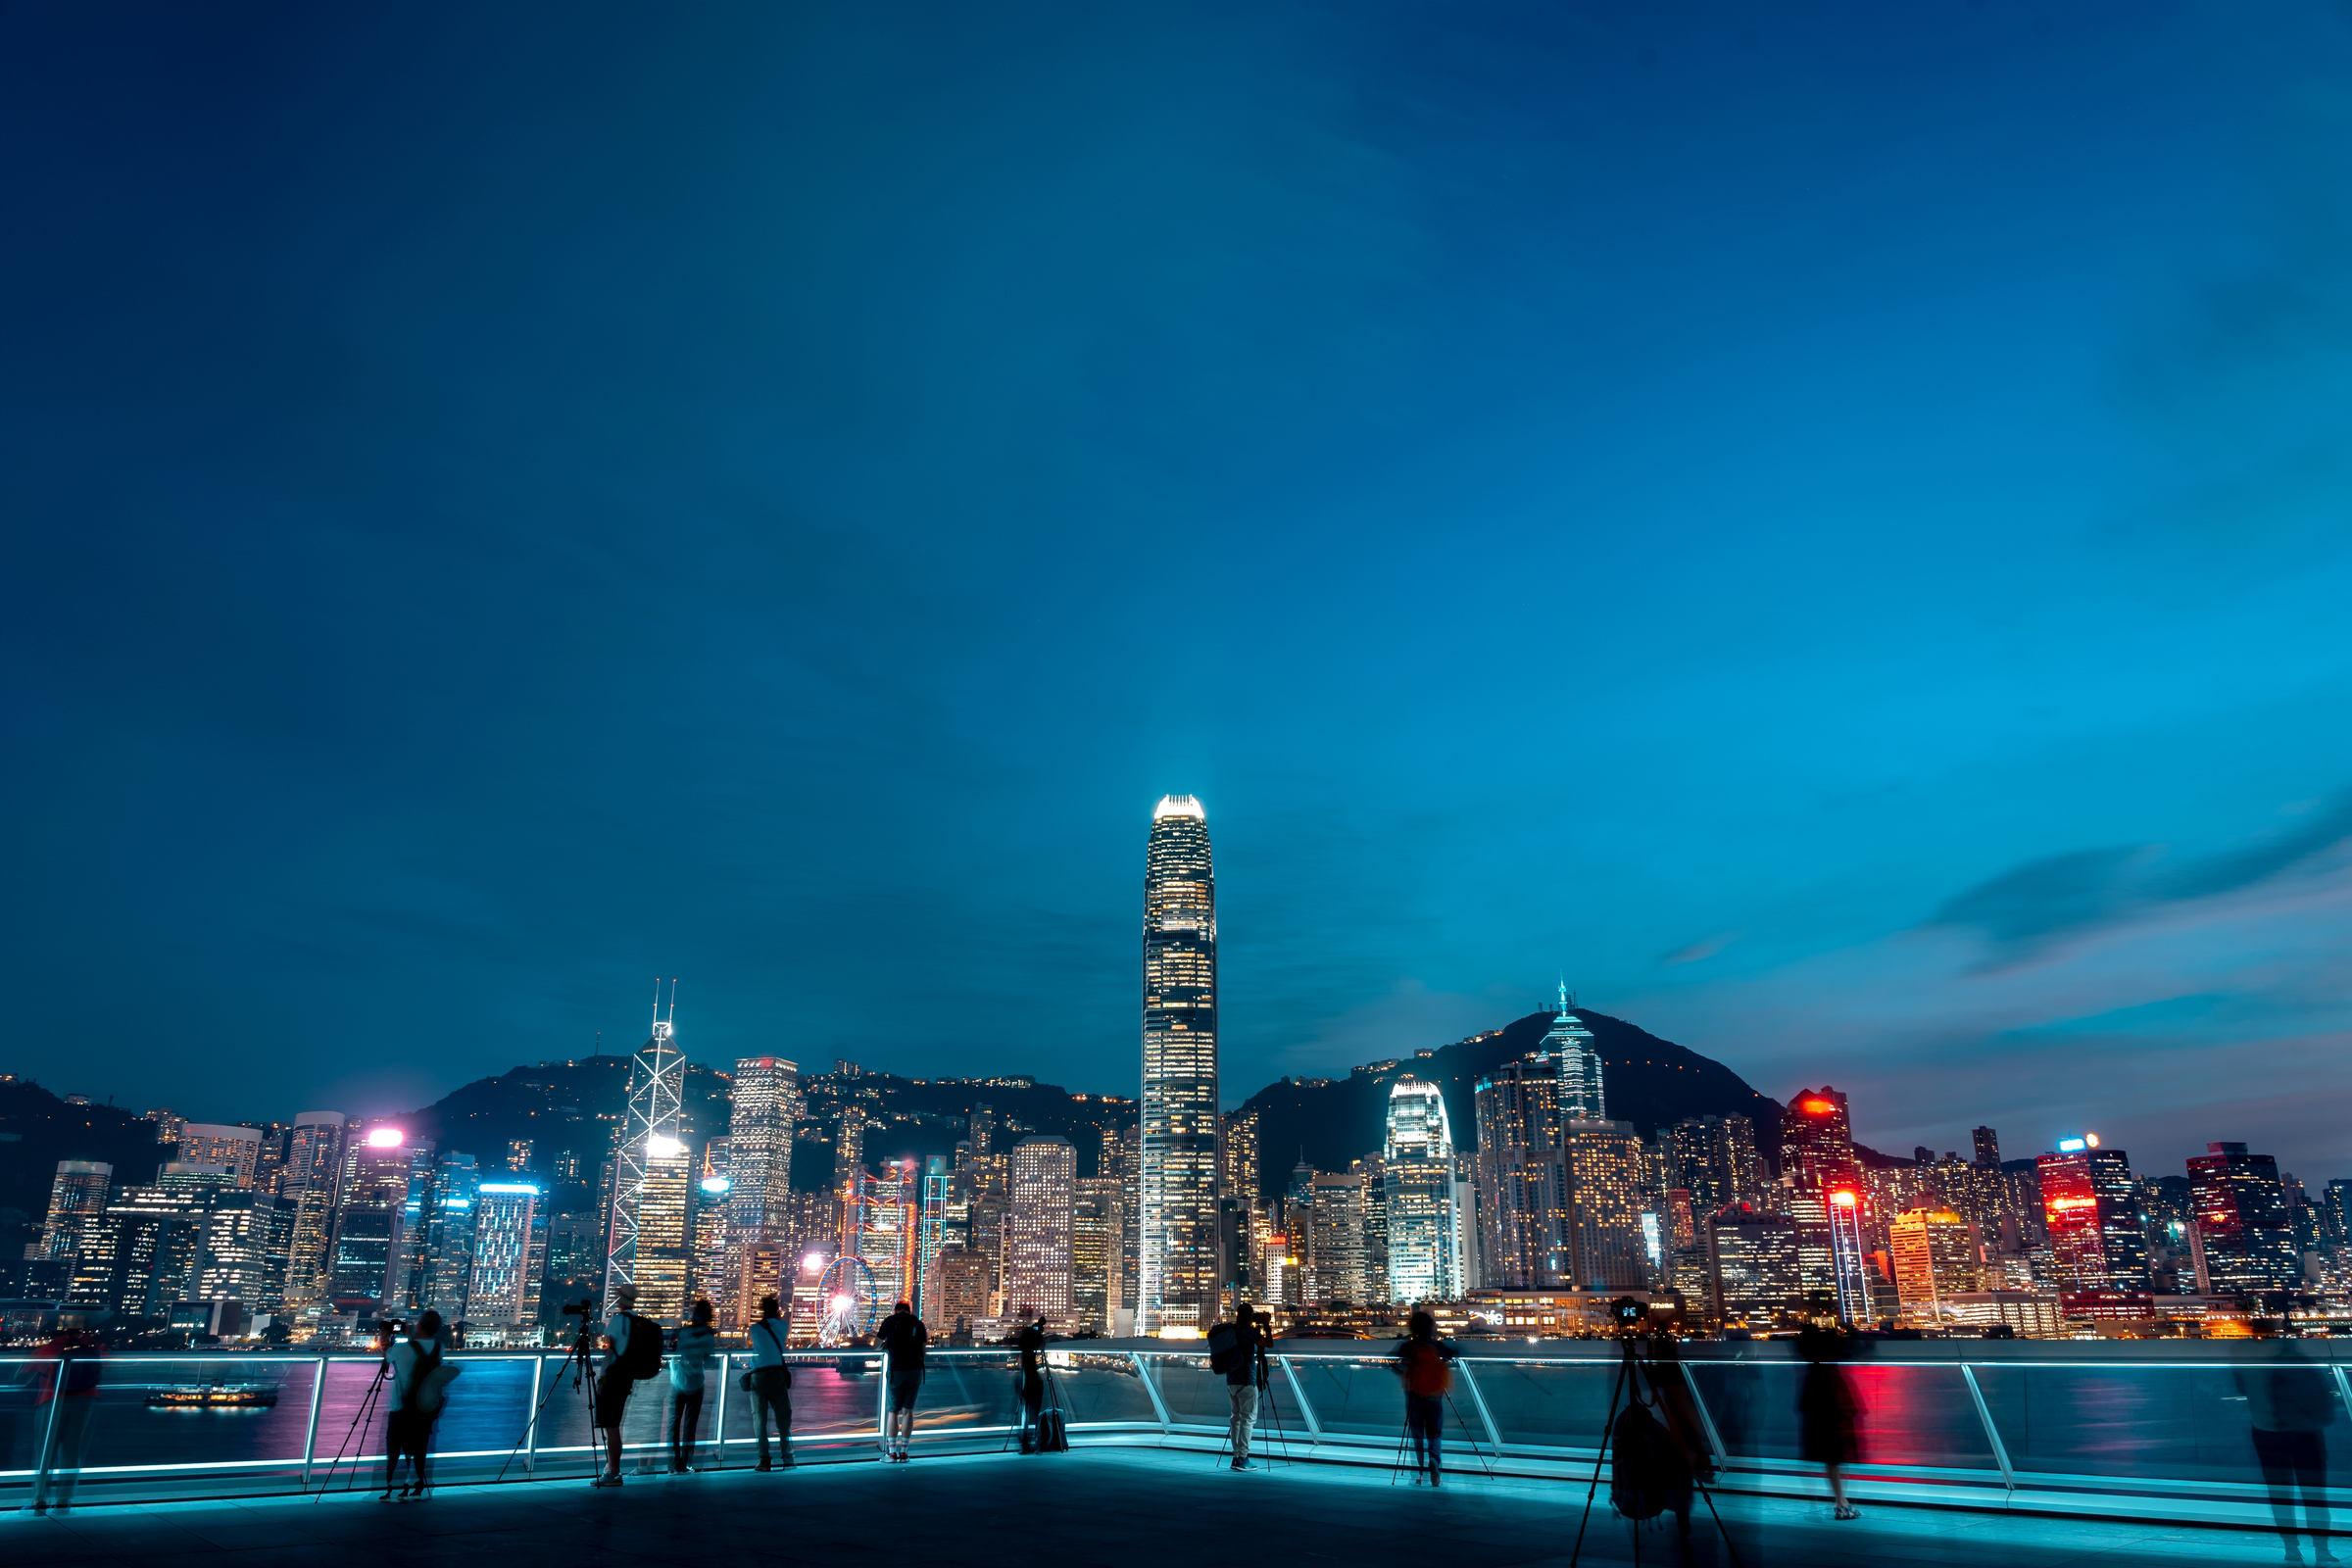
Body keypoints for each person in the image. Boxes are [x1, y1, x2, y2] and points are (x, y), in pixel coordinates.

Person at [2236, 1337, 2341, 1563]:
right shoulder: (2301, 1362)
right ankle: (2321, 1549)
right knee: (2314, 1494)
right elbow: (2324, 1397)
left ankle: (2292, 1550)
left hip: (2267, 1432)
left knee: (2280, 1495)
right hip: (2305, 1433)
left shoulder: (2250, 1360)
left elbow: (2242, 1387)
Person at [29, 1314, 104, 1514]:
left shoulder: (54, 1346)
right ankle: (64, 1499)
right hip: (86, 1398)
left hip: (52, 1399)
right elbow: (104, 1363)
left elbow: (31, 1366)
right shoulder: (90, 1345)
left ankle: (39, 1498)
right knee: (73, 1450)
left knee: (45, 1451)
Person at [382, 1310, 453, 1501]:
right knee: (419, 1447)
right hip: (425, 1408)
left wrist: (383, 1334)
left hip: (401, 1407)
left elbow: (387, 1355)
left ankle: (394, 1486)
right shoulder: (440, 1347)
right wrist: (410, 1336)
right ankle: (417, 1485)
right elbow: (421, 1349)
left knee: (395, 1447)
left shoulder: (403, 1349)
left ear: (419, 1325)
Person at [1795, 1322, 1861, 1520]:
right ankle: (1841, 1504)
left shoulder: (1810, 1360)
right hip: (1832, 1399)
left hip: (1815, 1399)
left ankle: (1840, 1502)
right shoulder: (1832, 1361)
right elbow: (1856, 1348)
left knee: (1829, 1456)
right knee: (1836, 1455)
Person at [594, 1286, 653, 1488]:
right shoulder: (639, 1322)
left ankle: (613, 1471)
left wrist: (602, 1378)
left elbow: (610, 1351)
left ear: (620, 1299)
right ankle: (611, 1468)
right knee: (614, 1425)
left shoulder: (618, 1321)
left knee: (611, 1427)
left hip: (614, 1377)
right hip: (628, 1377)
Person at [1396, 1309, 1452, 1487]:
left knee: (1417, 1435)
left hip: (1414, 1395)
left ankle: (1419, 1472)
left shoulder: (1408, 1347)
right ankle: (1435, 1467)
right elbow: (1452, 1354)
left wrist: (1404, 1374)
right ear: (1431, 1328)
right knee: (1435, 1433)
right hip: (1435, 1396)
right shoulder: (1437, 1346)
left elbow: (1392, 1361)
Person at [875, 1299, 928, 1461]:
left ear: (896, 1310)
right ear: (909, 1310)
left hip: (896, 1370)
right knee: (908, 1411)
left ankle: (891, 1452)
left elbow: (875, 1346)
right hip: (915, 1371)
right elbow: (923, 1351)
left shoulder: (890, 1321)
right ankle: (904, 1452)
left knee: (893, 1411)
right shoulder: (918, 1323)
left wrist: (887, 1344)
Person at [668, 1298, 717, 1473]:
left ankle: (673, 1464)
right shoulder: (708, 1337)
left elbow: (676, 1351)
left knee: (673, 1424)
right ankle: (685, 1464)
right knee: (690, 1426)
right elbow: (710, 1362)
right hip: (696, 1383)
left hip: (678, 1380)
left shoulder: (684, 1332)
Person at [748, 1294, 793, 1470]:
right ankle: (787, 1457)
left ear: (762, 1310)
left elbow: (758, 1349)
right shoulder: (783, 1326)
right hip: (778, 1375)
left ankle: (764, 1460)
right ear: (777, 1310)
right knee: (783, 1419)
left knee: (759, 1420)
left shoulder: (755, 1329)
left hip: (759, 1375)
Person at [1224, 1307, 1268, 1471]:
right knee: (1247, 1420)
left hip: (1231, 1380)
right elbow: (1268, 1343)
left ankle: (1236, 1457)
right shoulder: (1249, 1331)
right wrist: (1267, 1326)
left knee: (1235, 1418)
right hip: (1246, 1380)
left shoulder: (1230, 1331)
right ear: (1250, 1315)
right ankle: (1243, 1457)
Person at [1013, 1314, 1047, 1453]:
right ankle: (1036, 1442)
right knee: (1035, 1411)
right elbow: (1040, 1344)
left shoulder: (1025, 1348)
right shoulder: (1030, 1350)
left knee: (1027, 1410)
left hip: (1027, 1380)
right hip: (1032, 1380)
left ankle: (1026, 1441)